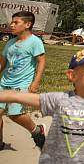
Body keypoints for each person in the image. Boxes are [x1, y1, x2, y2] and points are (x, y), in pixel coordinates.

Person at [0, 10, 46, 151]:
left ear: (27, 24)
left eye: (16, 22)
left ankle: (36, 130)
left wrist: (35, 82)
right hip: (4, 83)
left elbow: (41, 61)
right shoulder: (11, 43)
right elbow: (3, 62)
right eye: (12, 22)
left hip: (21, 84)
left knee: (15, 114)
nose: (11, 25)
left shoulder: (35, 42)